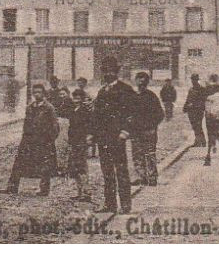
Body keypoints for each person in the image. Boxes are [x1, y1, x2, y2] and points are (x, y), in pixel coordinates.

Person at [92, 57, 137, 213]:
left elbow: (132, 113)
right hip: (103, 138)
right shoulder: (102, 91)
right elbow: (96, 115)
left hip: (118, 137)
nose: (107, 74)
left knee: (121, 171)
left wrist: (125, 131)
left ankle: (125, 205)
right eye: (105, 71)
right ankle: (110, 204)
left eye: (111, 70)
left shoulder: (125, 89)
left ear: (116, 72)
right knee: (107, 172)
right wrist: (94, 134)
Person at [6, 83, 58, 196]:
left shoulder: (49, 108)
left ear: (43, 94)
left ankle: (44, 189)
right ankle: (12, 187)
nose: (37, 94)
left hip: (43, 141)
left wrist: (49, 140)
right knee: (18, 163)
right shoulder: (30, 107)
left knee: (45, 166)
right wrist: (24, 138)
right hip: (29, 140)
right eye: (35, 92)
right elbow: (26, 124)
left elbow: (55, 126)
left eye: (39, 92)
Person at [130, 71, 165, 186]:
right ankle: (141, 176)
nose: (141, 82)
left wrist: (152, 126)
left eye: (144, 80)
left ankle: (152, 177)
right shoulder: (132, 97)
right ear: (135, 81)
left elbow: (160, 114)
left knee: (149, 154)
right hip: (135, 131)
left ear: (147, 82)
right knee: (137, 154)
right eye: (139, 79)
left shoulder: (151, 96)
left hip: (149, 131)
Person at [63, 87, 96, 202]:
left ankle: (86, 193)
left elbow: (91, 126)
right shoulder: (73, 110)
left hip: (81, 142)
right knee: (75, 168)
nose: (76, 99)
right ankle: (79, 192)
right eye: (74, 97)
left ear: (82, 99)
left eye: (78, 98)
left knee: (82, 167)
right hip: (74, 141)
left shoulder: (85, 111)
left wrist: (89, 137)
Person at [183, 73, 210, 147]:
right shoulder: (191, 89)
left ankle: (202, 141)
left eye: (194, 80)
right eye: (192, 79)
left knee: (198, 125)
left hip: (198, 110)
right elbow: (188, 99)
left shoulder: (202, 89)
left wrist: (195, 105)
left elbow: (204, 100)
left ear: (197, 80)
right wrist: (185, 107)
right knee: (194, 126)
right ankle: (198, 141)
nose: (193, 81)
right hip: (191, 111)